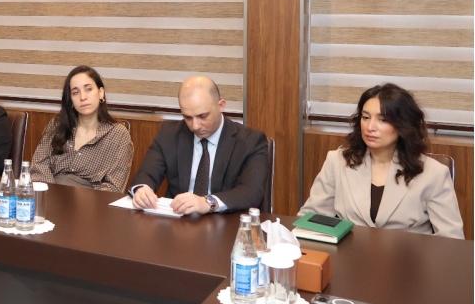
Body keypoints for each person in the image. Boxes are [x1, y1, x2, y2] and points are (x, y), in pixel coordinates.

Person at [300, 84, 463, 239]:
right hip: (347, 255)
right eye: (365, 117)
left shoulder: (434, 174)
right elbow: (309, 220)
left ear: (403, 125)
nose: (370, 127)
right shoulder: (337, 162)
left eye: (383, 120)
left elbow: (451, 239)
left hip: (408, 258)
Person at [130, 75, 267, 215]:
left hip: (225, 221)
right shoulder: (169, 134)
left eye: (203, 116)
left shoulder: (251, 141)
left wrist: (207, 202)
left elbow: (251, 192)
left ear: (221, 106)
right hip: (177, 220)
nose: (195, 126)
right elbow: (146, 174)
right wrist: (142, 189)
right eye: (187, 117)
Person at [30, 66, 133, 192]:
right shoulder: (57, 125)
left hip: (92, 200)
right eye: (75, 92)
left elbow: (113, 187)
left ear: (101, 93)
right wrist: (52, 195)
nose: (83, 97)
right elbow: (39, 166)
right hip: (49, 194)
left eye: (88, 89)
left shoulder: (118, 135)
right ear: (71, 100)